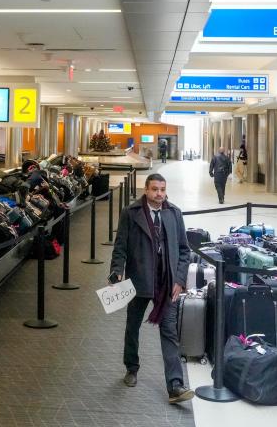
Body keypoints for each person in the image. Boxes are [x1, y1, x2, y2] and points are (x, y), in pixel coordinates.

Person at [109, 173, 194, 404]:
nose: (159, 194)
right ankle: (131, 368)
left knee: (169, 331)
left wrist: (179, 280)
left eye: (162, 189)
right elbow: (121, 246)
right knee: (132, 326)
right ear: (146, 190)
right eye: (155, 189)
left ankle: (175, 386)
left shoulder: (174, 213)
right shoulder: (131, 213)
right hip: (139, 279)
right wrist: (117, 270)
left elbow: (184, 251)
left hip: (167, 283)